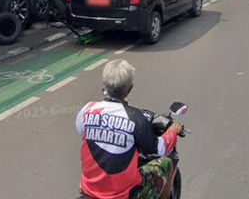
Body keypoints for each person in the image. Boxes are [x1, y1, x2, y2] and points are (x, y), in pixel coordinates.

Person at [77, 59, 182, 199]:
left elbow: (81, 132)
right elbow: (158, 149)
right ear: (129, 89)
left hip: (88, 189)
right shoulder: (135, 119)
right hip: (123, 194)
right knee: (166, 162)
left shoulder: (87, 110)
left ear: (104, 84)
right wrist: (172, 132)